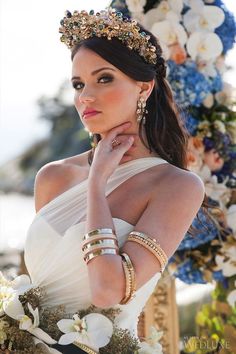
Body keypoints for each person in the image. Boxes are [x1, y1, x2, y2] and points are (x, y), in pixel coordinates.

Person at [24, 8, 205, 354]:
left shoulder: (176, 187)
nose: (85, 97)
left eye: (103, 78)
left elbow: (107, 291)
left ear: (144, 87)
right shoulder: (53, 176)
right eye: (78, 84)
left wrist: (97, 186)